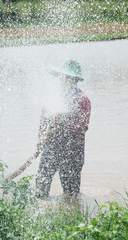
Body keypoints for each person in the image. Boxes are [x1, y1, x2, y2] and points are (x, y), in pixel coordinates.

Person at [35, 60, 91, 198]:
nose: (63, 81)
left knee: (71, 194)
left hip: (72, 152)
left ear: (74, 80)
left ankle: (72, 215)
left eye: (66, 78)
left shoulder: (82, 99)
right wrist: (41, 138)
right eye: (61, 77)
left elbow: (82, 126)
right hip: (51, 148)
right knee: (41, 187)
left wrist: (62, 120)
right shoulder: (53, 97)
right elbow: (43, 120)